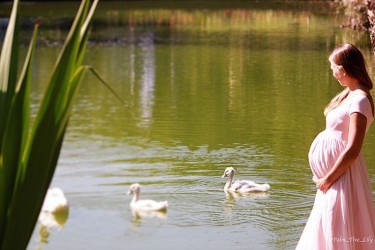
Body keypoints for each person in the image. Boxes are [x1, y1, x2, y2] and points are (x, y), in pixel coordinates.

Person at [296, 43, 375, 249]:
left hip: (342, 176)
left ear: (344, 68)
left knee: (336, 224)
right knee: (327, 225)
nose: (333, 74)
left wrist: (327, 179)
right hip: (333, 178)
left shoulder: (360, 101)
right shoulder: (349, 94)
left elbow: (353, 149)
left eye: (334, 69)